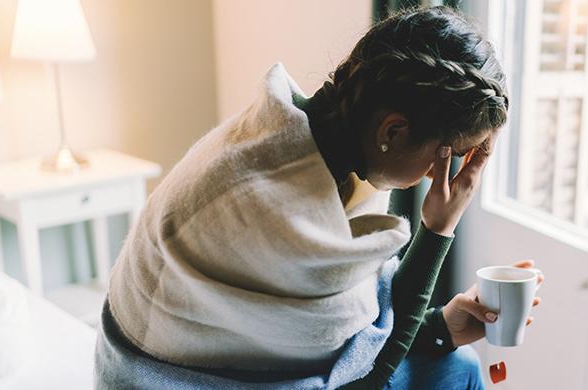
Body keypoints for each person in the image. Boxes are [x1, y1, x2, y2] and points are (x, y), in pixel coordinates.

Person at [97, 6, 542, 389]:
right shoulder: (282, 214)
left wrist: (440, 328)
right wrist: (439, 228)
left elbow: (355, 334)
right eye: (449, 155)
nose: (439, 174)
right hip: (156, 378)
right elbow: (361, 379)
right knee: (460, 372)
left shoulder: (296, 137)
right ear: (392, 130)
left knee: (457, 360)